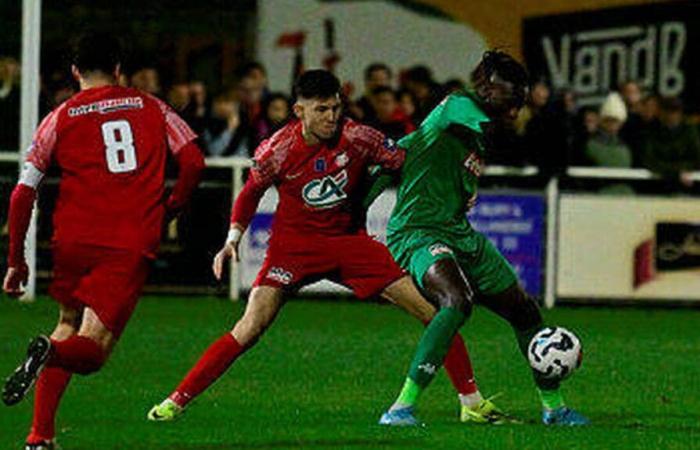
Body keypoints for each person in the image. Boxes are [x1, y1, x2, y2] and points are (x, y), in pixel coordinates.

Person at [147, 69, 506, 424]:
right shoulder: (278, 149)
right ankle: (174, 402)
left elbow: (407, 161)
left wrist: (455, 185)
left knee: (436, 312)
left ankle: (471, 402)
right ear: (299, 111)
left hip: (349, 243)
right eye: (321, 109)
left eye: (335, 107)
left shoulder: (359, 137)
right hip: (294, 249)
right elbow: (251, 191)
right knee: (249, 327)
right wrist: (232, 239)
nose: (332, 117)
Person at [1, 32, 205, 450]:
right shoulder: (152, 106)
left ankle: (40, 436)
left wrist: (16, 261)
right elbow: (193, 160)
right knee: (92, 351)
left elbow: (23, 193)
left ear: (75, 72)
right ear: (118, 70)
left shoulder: (59, 116)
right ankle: (48, 354)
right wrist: (172, 207)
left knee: (67, 324)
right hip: (127, 240)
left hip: (73, 239)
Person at [368, 51, 589, 426]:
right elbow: (441, 129)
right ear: (489, 88)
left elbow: (404, 154)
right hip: (417, 232)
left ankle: (554, 409)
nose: (517, 111)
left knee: (525, 311)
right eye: (513, 100)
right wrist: (356, 212)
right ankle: (400, 408)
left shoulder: (469, 139)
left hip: (459, 235)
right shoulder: (457, 107)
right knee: (456, 301)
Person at [584, 92, 634, 195]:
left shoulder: (625, 146)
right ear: (602, 121)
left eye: (616, 121)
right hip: (600, 193)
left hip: (625, 194)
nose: (612, 125)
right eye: (609, 120)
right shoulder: (592, 144)